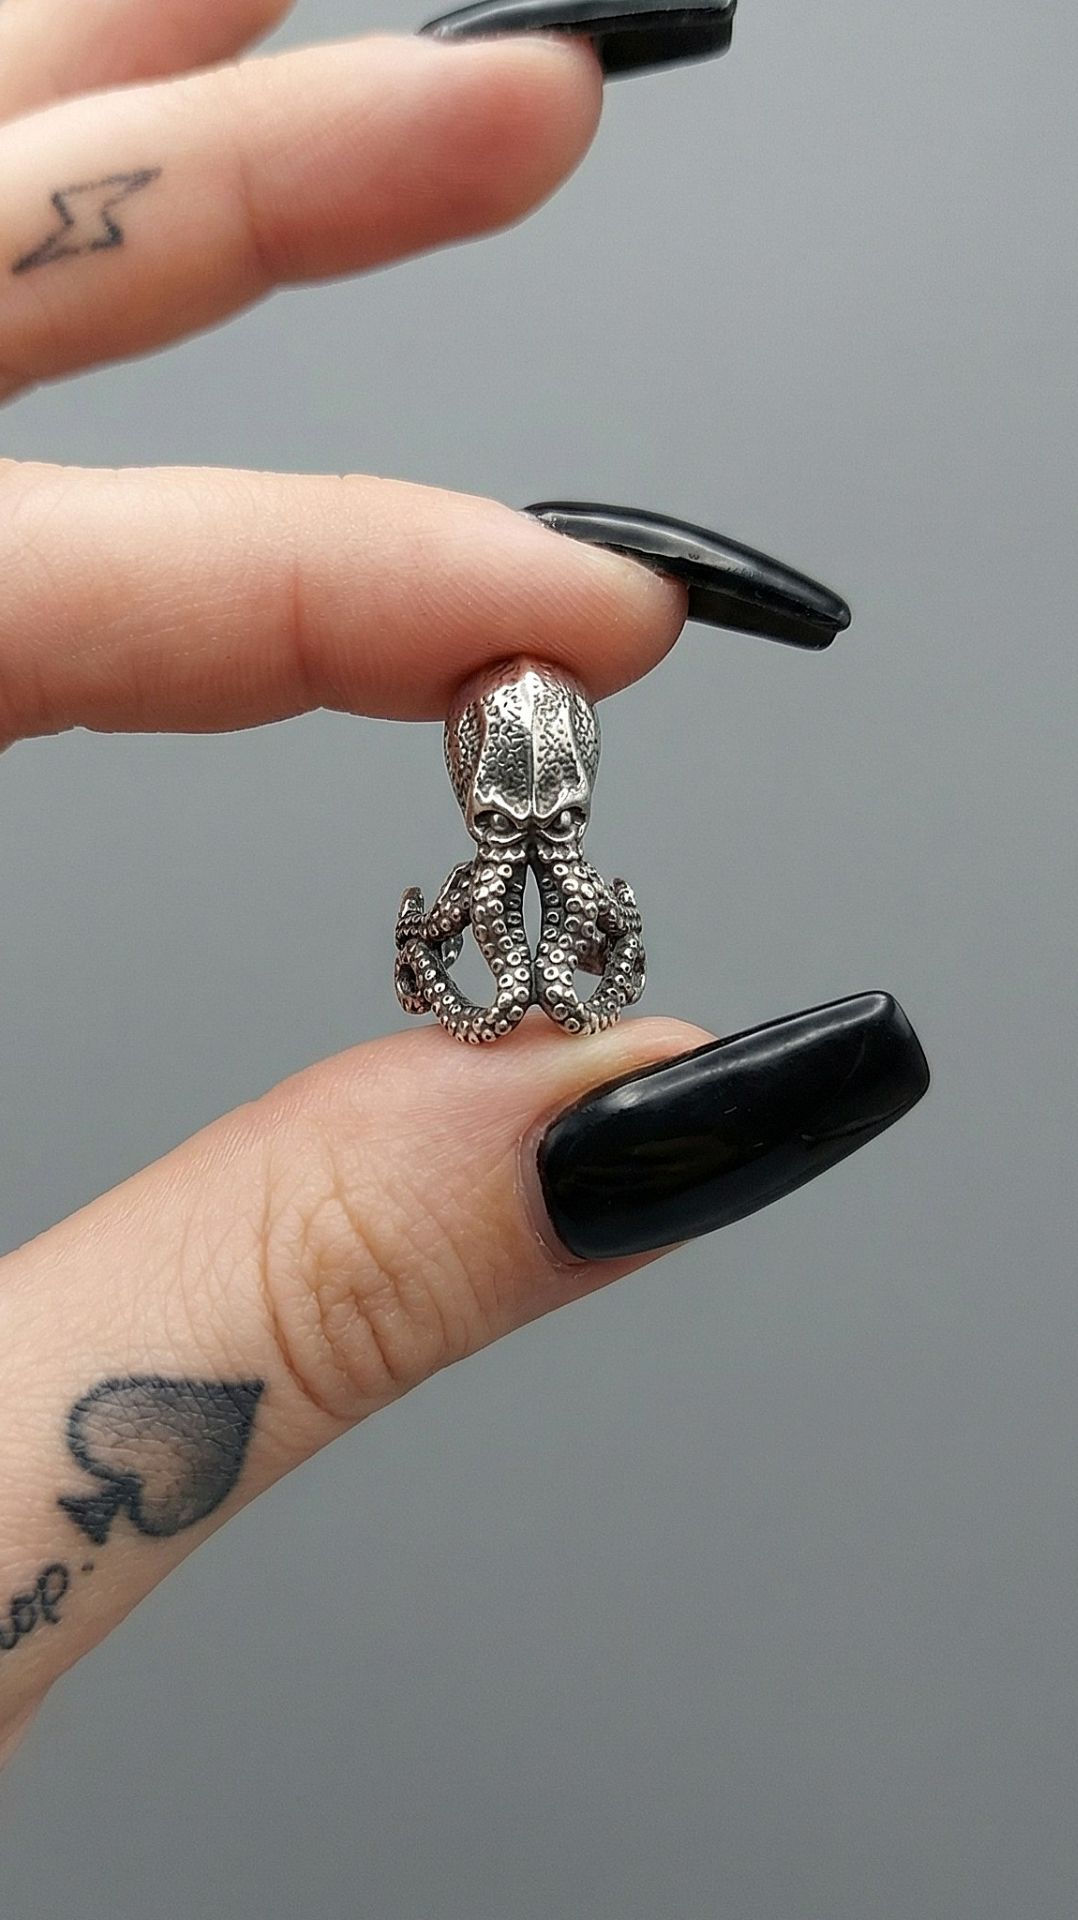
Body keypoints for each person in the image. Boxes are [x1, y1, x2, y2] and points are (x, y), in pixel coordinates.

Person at [0, 16, 927, 1759]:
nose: (530, 807)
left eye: (542, 786)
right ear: (484, 779)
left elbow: (538, 900)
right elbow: (489, 914)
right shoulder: (507, 852)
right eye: (514, 788)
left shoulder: (537, 843)